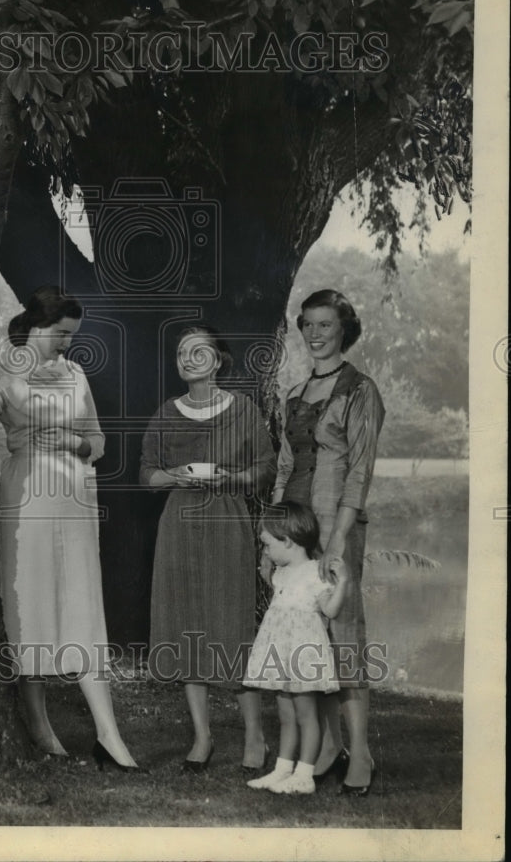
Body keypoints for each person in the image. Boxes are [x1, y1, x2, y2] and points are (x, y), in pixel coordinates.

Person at [0, 285, 139, 771]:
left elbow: (98, 439)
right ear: (39, 325)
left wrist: (77, 443)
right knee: (30, 597)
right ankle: (40, 726)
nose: (68, 343)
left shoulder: (76, 373)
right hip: (27, 490)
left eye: (74, 335)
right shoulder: (5, 370)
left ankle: (109, 735)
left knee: (82, 601)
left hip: (76, 491)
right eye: (63, 334)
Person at [139, 325, 276, 771]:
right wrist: (173, 476)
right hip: (178, 524)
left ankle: (255, 737)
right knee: (185, 624)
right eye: (181, 351)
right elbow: (147, 475)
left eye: (199, 351)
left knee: (231, 624)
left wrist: (230, 478)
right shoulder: (165, 413)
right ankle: (202, 738)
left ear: (218, 361)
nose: (188, 358)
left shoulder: (243, 409)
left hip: (226, 519)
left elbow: (265, 469)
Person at [272, 289, 385, 795]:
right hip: (296, 531)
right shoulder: (294, 394)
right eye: (309, 325)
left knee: (343, 633)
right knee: (304, 636)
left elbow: (359, 472)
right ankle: (328, 746)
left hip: (337, 526)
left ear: (344, 329)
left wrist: (337, 542)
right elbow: (284, 467)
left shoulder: (361, 390)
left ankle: (360, 752)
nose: (316, 334)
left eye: (326, 325)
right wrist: (272, 537)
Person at [244, 501, 349, 795]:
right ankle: (282, 770)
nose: (265, 551)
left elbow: (330, 610)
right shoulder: (281, 573)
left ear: (287, 541)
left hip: (303, 655)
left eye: (267, 544)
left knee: (306, 716)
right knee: (286, 715)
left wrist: (343, 583)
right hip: (280, 653)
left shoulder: (316, 572)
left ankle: (304, 776)